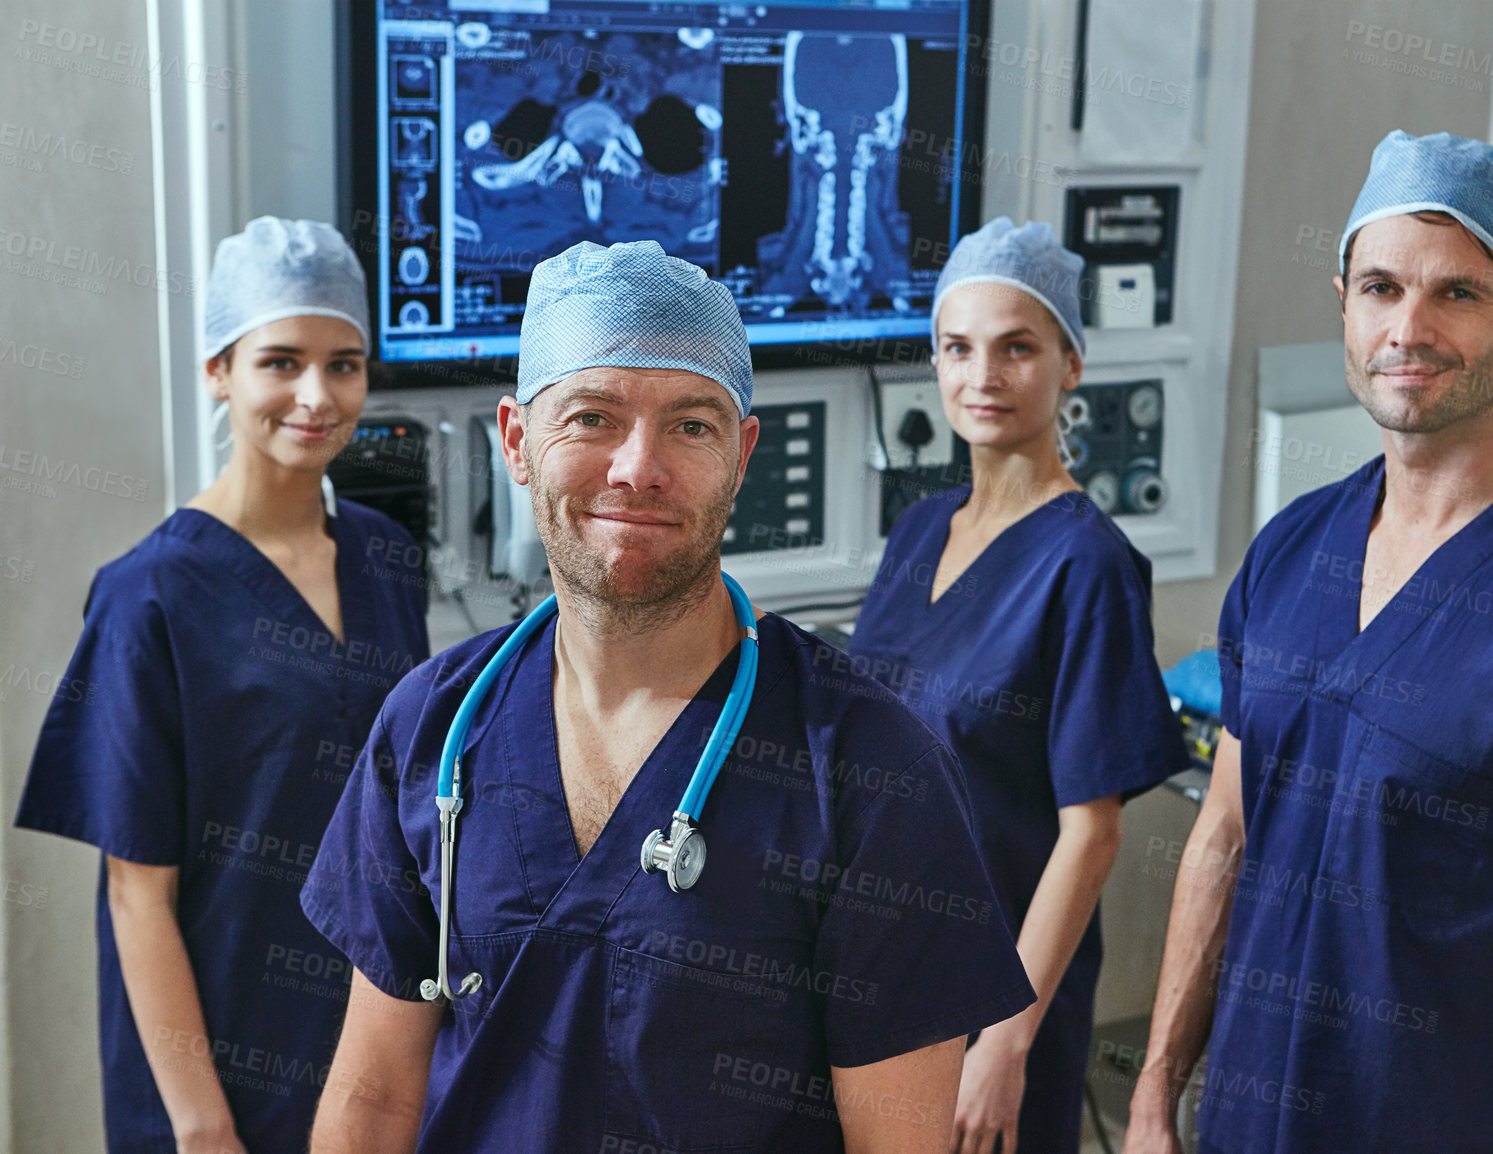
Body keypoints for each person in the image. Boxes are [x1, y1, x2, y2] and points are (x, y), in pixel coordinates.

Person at [299, 239, 1036, 1154]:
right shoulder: (429, 731)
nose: (636, 468)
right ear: (518, 441)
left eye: (691, 425)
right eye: (592, 417)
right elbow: (372, 1103)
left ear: (742, 454)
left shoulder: (872, 768)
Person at [1122, 130, 1493, 1153]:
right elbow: (1222, 837)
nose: (1409, 327)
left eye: (1455, 293)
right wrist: (1151, 1099)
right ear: (1344, 302)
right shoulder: (1290, 551)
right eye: (1380, 288)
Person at [15, 216, 431, 1154]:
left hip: (376, 1046)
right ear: (218, 370)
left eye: (345, 363)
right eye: (280, 361)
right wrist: (201, 1126)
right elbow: (137, 895)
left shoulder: (387, 557)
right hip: (217, 1061)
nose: (317, 396)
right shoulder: (149, 596)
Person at [848, 218, 1191, 1154]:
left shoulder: (1088, 565)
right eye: (957, 348)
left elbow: (1093, 830)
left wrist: (1008, 1038)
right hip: (884, 974)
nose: (983, 376)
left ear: (1070, 366)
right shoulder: (921, 530)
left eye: (1017, 348)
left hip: (1001, 997)